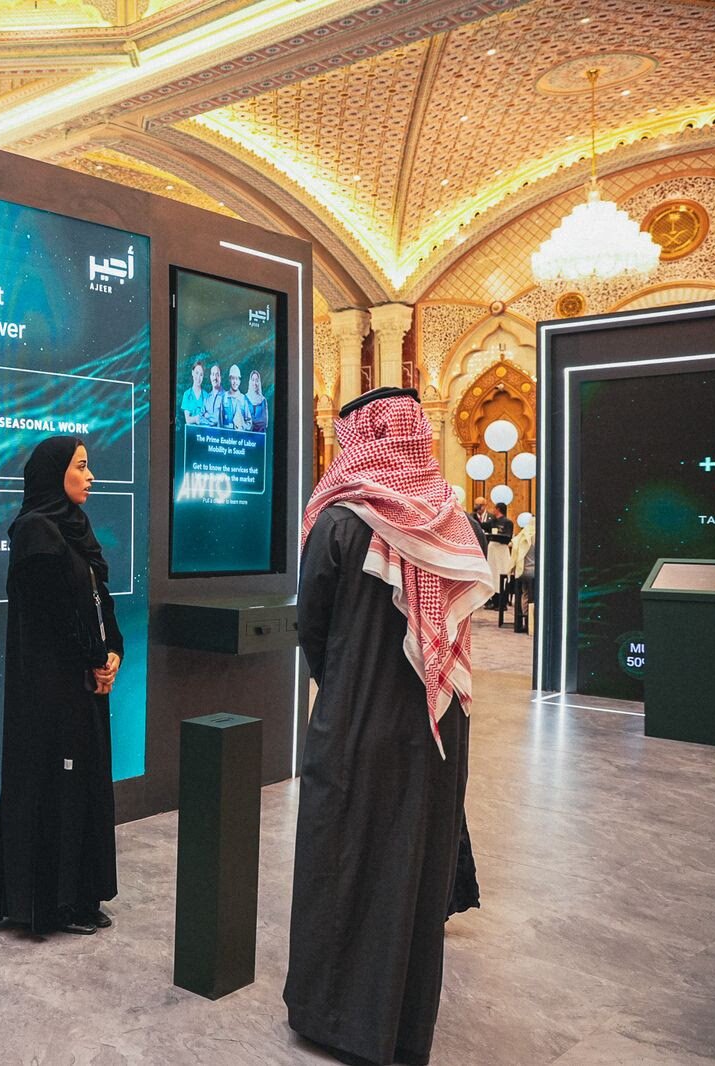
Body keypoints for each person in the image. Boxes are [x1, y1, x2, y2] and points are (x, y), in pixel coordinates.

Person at [285, 387, 493, 1066]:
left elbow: (311, 627)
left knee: (342, 859)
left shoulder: (339, 523)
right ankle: (400, 1024)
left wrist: (343, 685)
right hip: (437, 727)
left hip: (354, 720)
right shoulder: (454, 522)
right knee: (412, 861)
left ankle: (333, 1018)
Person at [0, 435, 122, 936]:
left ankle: (81, 894)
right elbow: (55, 616)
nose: (90, 476)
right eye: (81, 466)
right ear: (54, 473)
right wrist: (93, 658)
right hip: (50, 692)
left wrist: (113, 652)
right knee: (55, 787)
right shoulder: (35, 532)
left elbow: (98, 599)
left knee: (84, 786)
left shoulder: (75, 527)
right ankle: (51, 904)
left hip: (84, 686)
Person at [180, 357, 208, 425]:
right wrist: (198, 418)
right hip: (190, 430)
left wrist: (195, 419)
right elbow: (188, 420)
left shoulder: (206, 396)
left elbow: (208, 418)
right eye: (197, 373)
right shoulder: (187, 394)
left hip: (203, 431)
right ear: (192, 373)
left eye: (201, 375)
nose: (198, 377)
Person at [221, 364, 248, 429]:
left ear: (239, 381)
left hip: (240, 434)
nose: (235, 381)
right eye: (233, 378)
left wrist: (242, 427)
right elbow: (220, 422)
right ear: (229, 380)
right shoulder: (224, 397)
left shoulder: (243, 399)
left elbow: (249, 423)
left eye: (237, 379)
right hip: (226, 434)